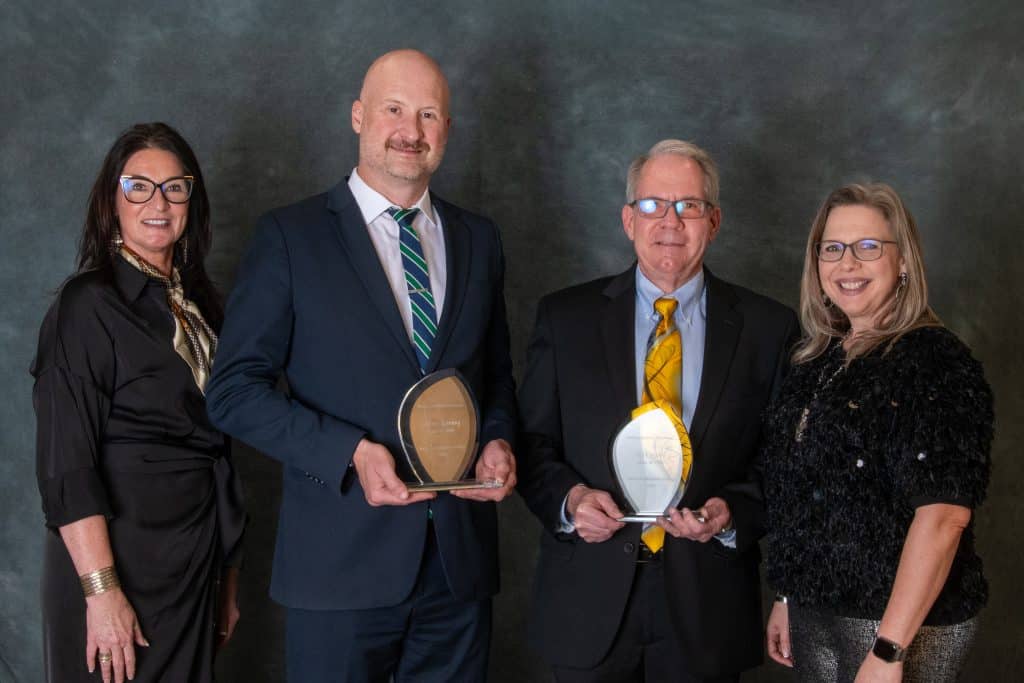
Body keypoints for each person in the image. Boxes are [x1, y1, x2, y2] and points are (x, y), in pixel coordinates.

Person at [205, 49, 517, 682]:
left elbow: (497, 375)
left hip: (457, 571)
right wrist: (350, 452)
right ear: (358, 116)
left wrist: (498, 438)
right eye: (394, 109)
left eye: (429, 114)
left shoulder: (478, 238)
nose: (412, 130)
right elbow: (233, 391)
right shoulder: (291, 237)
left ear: (447, 132)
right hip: (339, 568)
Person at [516, 139, 798, 682]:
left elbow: (784, 464)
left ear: (713, 221)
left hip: (707, 605)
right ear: (628, 219)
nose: (670, 221)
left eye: (689, 205)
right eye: (653, 205)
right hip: (587, 603)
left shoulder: (768, 329)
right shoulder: (565, 319)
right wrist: (570, 500)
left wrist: (729, 513)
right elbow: (531, 444)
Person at [31, 122, 245, 683]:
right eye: (139, 187)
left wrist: (225, 579)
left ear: (190, 203)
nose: (159, 202)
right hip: (114, 565)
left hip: (192, 562)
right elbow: (66, 463)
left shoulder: (202, 308)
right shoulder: (88, 305)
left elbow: (221, 448)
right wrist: (101, 595)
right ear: (112, 199)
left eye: (175, 188)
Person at [762, 182, 992, 682]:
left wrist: (888, 651)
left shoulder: (934, 362)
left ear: (903, 261)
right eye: (833, 248)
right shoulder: (816, 360)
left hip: (901, 626)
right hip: (815, 611)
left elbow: (944, 517)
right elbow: (802, 493)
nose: (848, 264)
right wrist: (787, 595)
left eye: (868, 247)